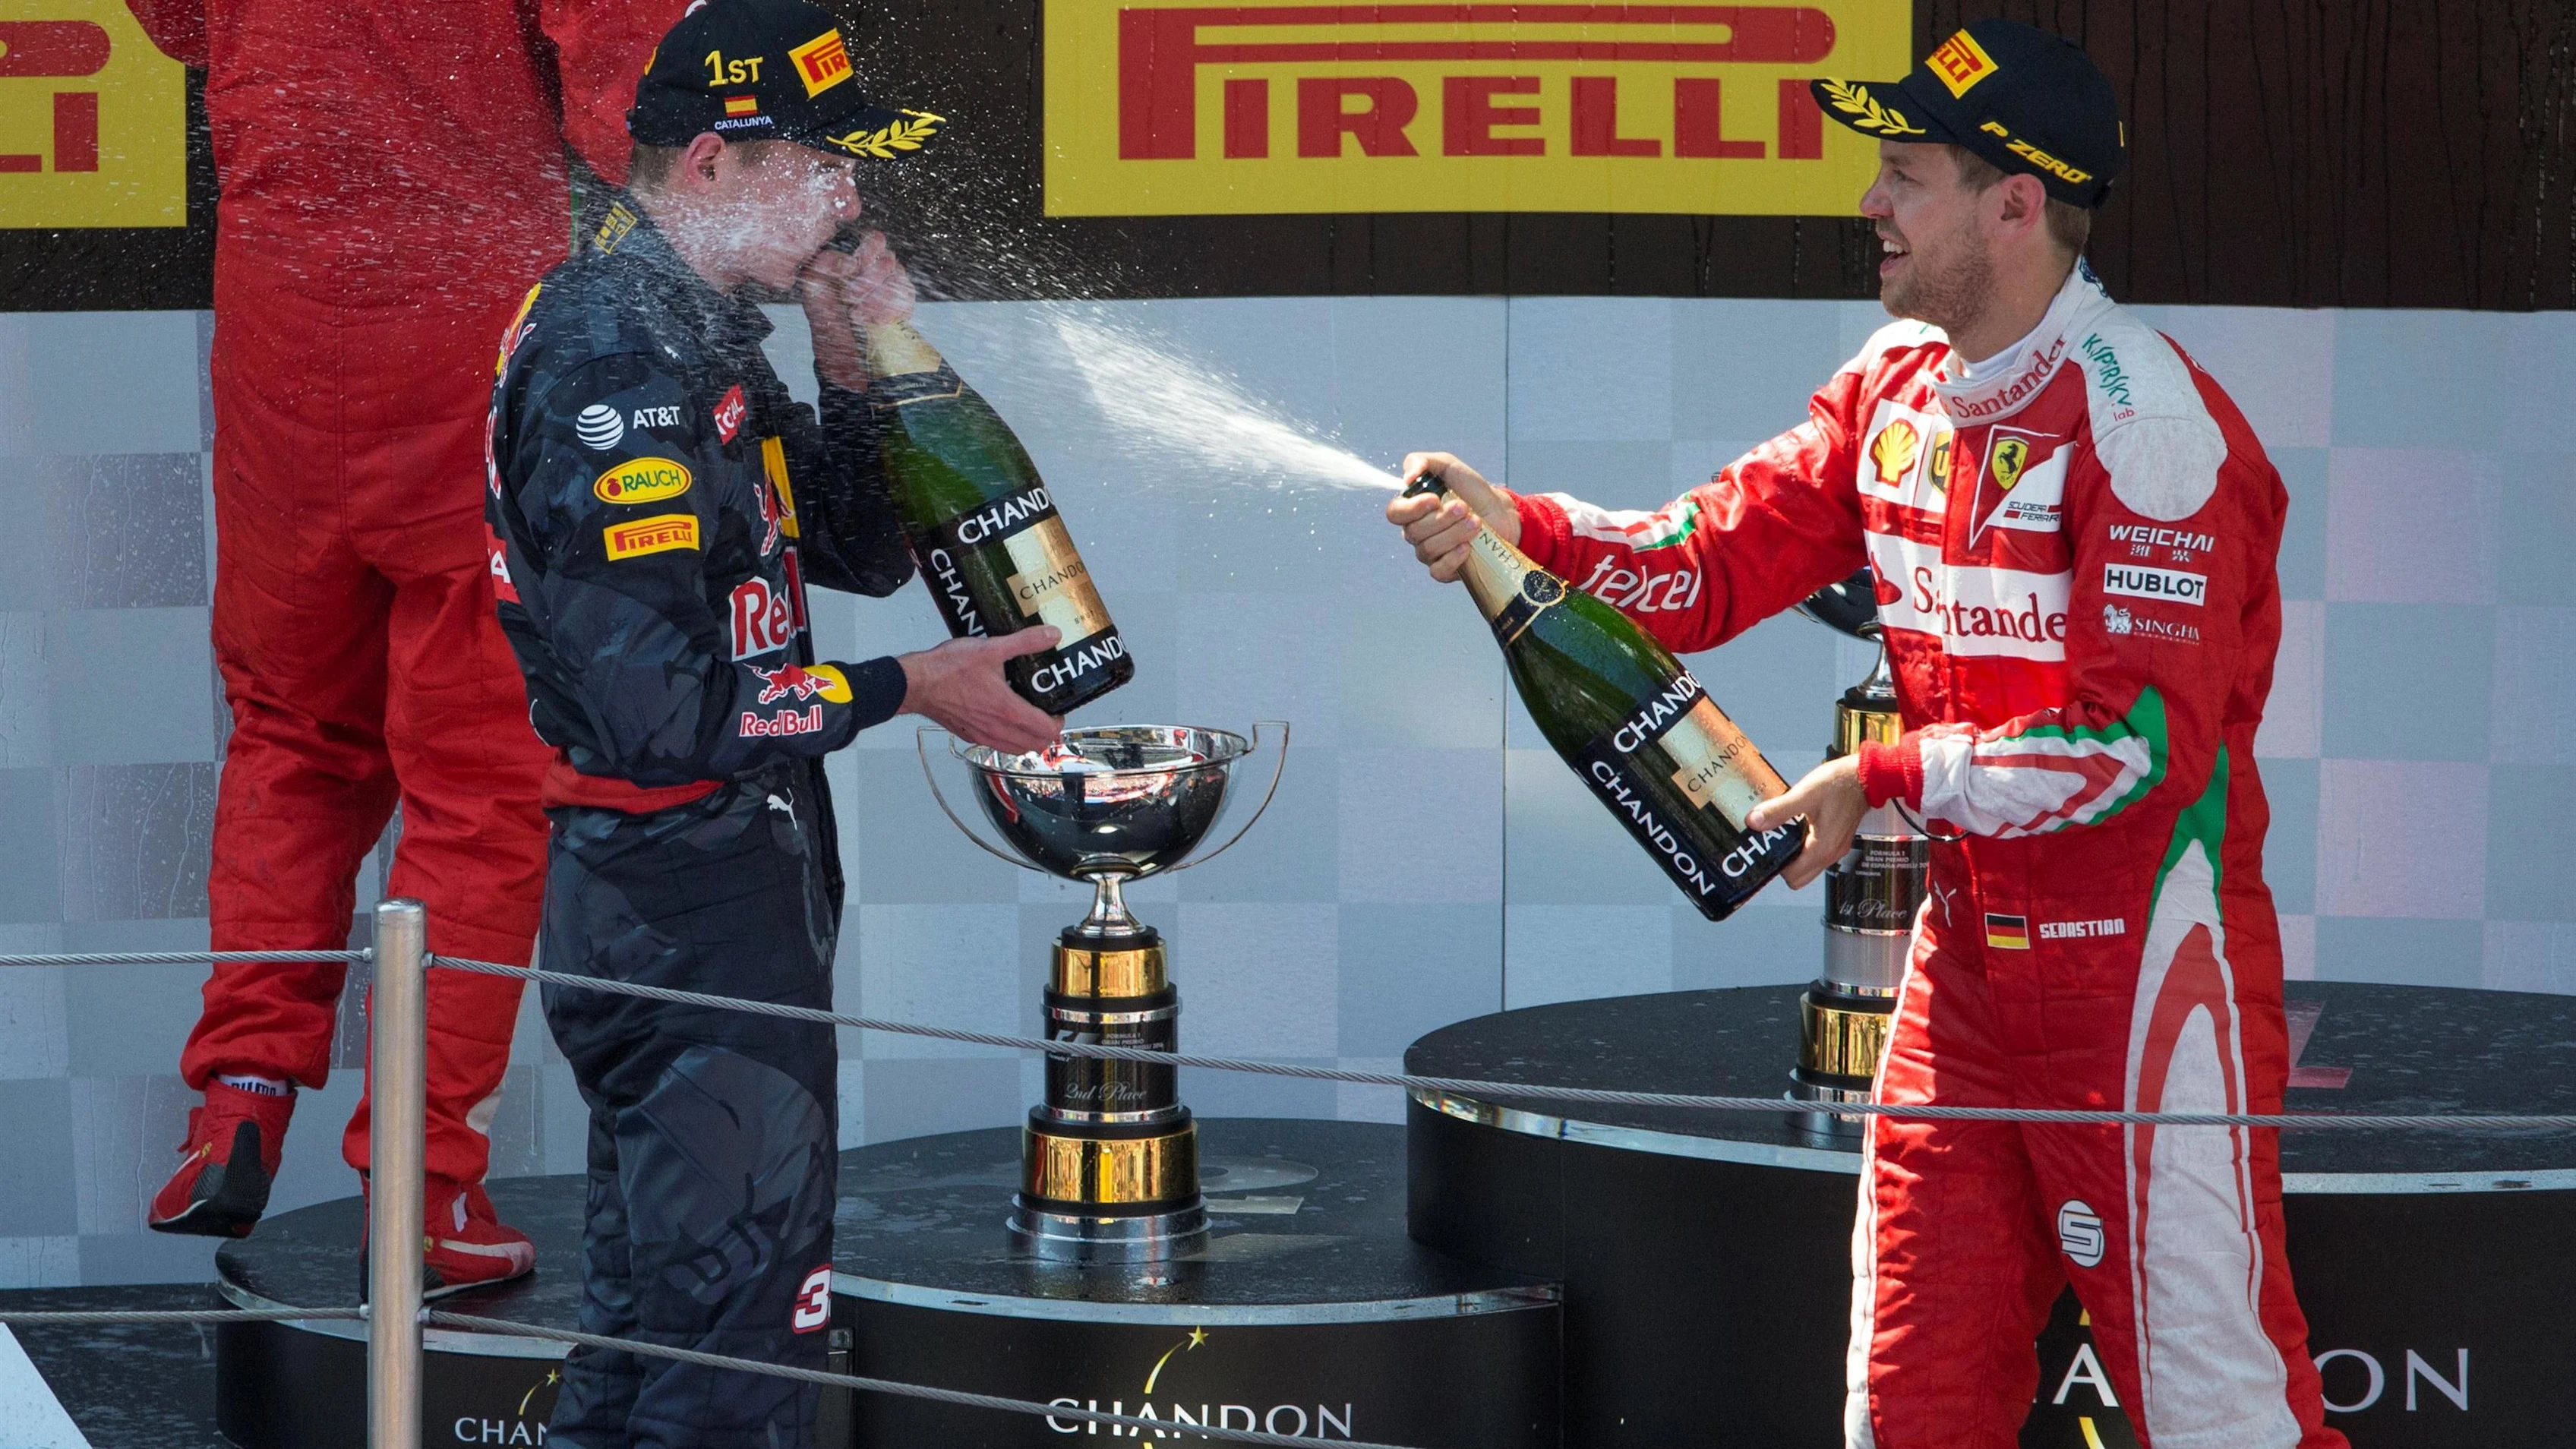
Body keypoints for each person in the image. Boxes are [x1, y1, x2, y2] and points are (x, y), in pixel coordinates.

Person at [1388, 21, 2347, 1449]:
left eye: (1904, 172)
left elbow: (2133, 753)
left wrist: (1885, 775)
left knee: (2222, 1423)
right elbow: (1703, 565)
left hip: (2145, 986)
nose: (1868, 203)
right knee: (1907, 1412)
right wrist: (1512, 529)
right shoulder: (1896, 383)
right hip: (1960, 986)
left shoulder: (2152, 425)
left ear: (2016, 202)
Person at [485, 2, 1057, 1441]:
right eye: (827, 163)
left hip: (717, 898)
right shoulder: (618, 360)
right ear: (718, 166)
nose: (853, 194)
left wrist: (847, 346)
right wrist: (910, 688)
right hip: (676, 911)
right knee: (737, 1366)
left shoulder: (699, 333)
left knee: (648, 1344)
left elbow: (855, 549)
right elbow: (653, 711)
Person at [128, 0, 683, 1291]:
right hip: (464, 335)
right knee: (482, 786)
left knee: (289, 736)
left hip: (280, 329)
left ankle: (239, 1103)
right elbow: (638, 99)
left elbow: (173, 24)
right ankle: (423, 1189)